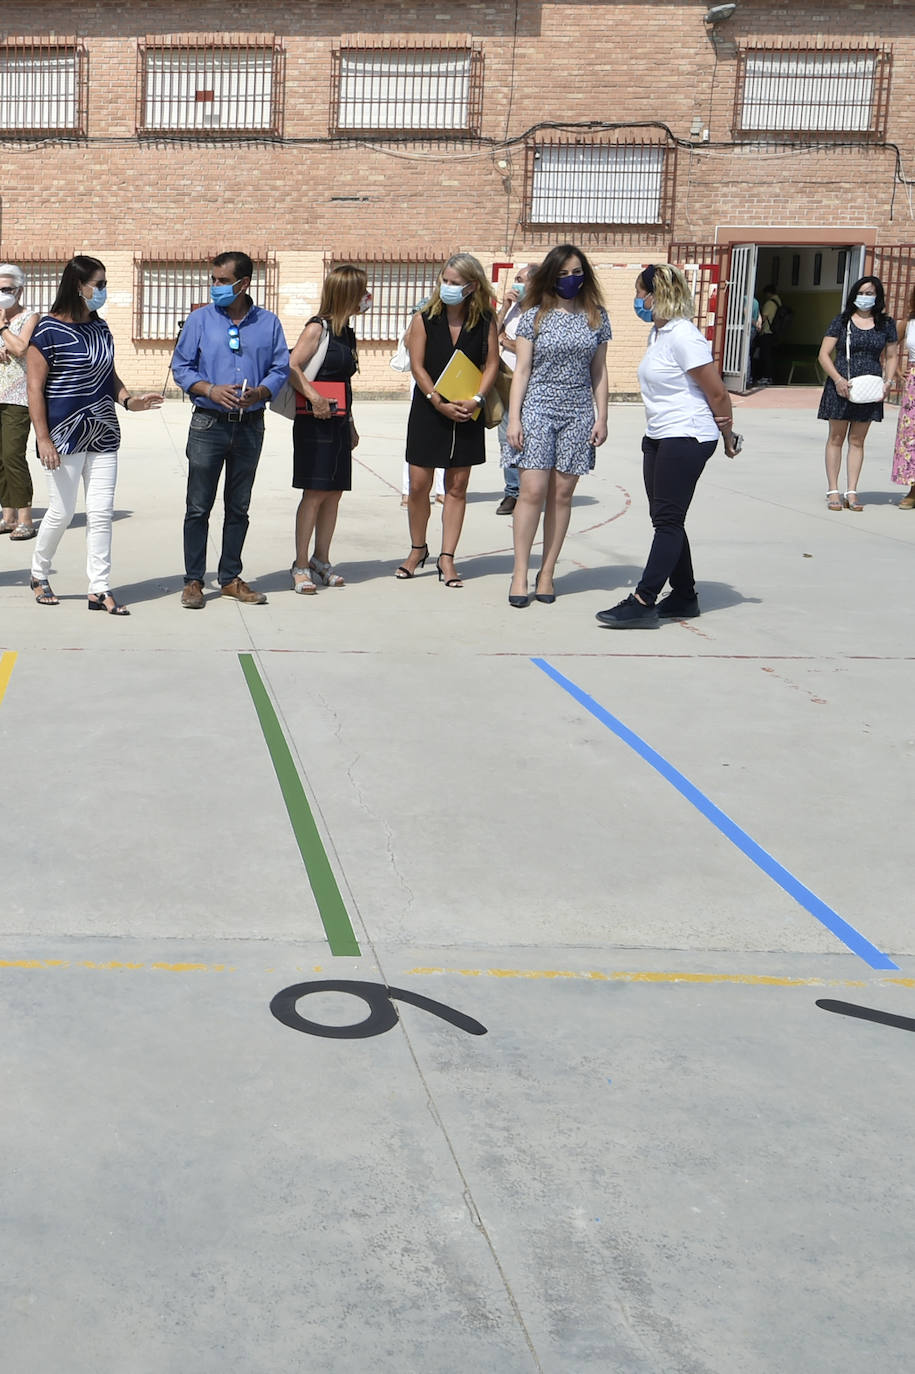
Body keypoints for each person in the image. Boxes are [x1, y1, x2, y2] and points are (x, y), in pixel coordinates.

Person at [596, 263, 739, 629]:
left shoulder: (683, 335)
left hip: (688, 434)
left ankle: (644, 599)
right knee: (665, 518)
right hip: (659, 435)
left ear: (656, 294)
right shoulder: (657, 334)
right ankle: (685, 595)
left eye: (639, 293)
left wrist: (727, 435)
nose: (636, 300)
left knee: (668, 520)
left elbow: (718, 392)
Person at [26, 255, 162, 613]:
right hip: (62, 435)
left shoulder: (100, 327)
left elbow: (109, 376)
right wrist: (43, 439)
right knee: (62, 512)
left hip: (103, 433)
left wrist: (131, 401)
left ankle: (99, 588)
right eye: (99, 285)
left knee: (101, 513)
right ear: (78, 285)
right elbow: (34, 389)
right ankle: (39, 573)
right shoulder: (47, 330)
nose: (103, 291)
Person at [171, 251, 289, 608]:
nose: (215, 287)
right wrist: (210, 389)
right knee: (198, 507)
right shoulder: (200, 321)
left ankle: (230, 578)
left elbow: (281, 367)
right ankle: (193, 581)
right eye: (214, 280)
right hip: (208, 424)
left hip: (250, 426)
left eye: (223, 281)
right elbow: (181, 366)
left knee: (239, 507)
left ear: (244, 283)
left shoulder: (268, 323)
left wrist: (262, 391)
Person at [505, 245, 610, 607]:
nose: (571, 279)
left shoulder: (596, 317)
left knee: (561, 495)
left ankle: (546, 572)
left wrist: (602, 415)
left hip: (578, 412)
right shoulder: (532, 317)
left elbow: (599, 370)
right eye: (563, 273)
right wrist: (514, 418)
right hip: (537, 407)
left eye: (577, 272)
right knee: (531, 491)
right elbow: (521, 371)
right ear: (551, 275)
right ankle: (520, 572)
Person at [396, 253, 499, 588]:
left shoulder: (485, 319)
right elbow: (418, 366)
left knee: (457, 488)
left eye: (455, 283)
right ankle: (417, 549)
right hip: (430, 410)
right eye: (445, 280)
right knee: (418, 486)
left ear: (472, 286)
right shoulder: (424, 317)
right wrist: (437, 402)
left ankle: (447, 557)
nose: (448, 287)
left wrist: (477, 400)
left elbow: (492, 364)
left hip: (468, 411)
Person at [287, 264, 367, 593]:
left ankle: (322, 559)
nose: (366, 297)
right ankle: (301, 564)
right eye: (361, 291)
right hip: (313, 422)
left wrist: (350, 423)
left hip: (337, 422)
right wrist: (314, 396)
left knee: (334, 493)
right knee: (315, 492)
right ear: (346, 294)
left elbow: (345, 383)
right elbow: (290, 366)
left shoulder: (347, 332)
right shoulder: (316, 329)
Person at [817, 275, 898, 512]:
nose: (865, 297)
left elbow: (892, 355)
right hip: (842, 385)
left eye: (870, 293)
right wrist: (838, 379)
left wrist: (888, 381)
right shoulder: (841, 321)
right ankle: (833, 490)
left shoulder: (886, 324)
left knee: (858, 440)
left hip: (870, 387)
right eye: (861, 293)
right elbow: (824, 354)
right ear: (854, 295)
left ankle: (852, 491)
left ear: (878, 297)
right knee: (836, 438)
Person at [0, 264, 39, 540]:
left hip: (17, 397)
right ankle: (8, 516)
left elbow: (20, 348)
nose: (2, 294)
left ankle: (25, 517)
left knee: (13, 455)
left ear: (19, 290)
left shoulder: (30, 317)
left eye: (7, 289)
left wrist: (2, 327)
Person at [495, 264, 534, 515]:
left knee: (529, 438)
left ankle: (530, 490)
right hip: (505, 381)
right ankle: (512, 491)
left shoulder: (541, 313)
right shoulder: (512, 311)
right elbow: (490, 333)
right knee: (506, 437)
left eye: (521, 279)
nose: (516, 283)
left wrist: (504, 341)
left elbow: (529, 349)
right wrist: (504, 308)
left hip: (529, 383)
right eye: (516, 279)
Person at [891, 287, 915, 509]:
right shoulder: (907, 323)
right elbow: (888, 348)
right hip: (914, 384)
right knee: (911, 437)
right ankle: (913, 489)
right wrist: (897, 371)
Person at [753, 283, 781, 386]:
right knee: (770, 356)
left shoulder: (769, 303)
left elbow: (764, 317)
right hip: (774, 333)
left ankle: (766, 377)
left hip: (767, 332)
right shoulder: (778, 302)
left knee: (765, 356)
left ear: (768, 293)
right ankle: (770, 376)